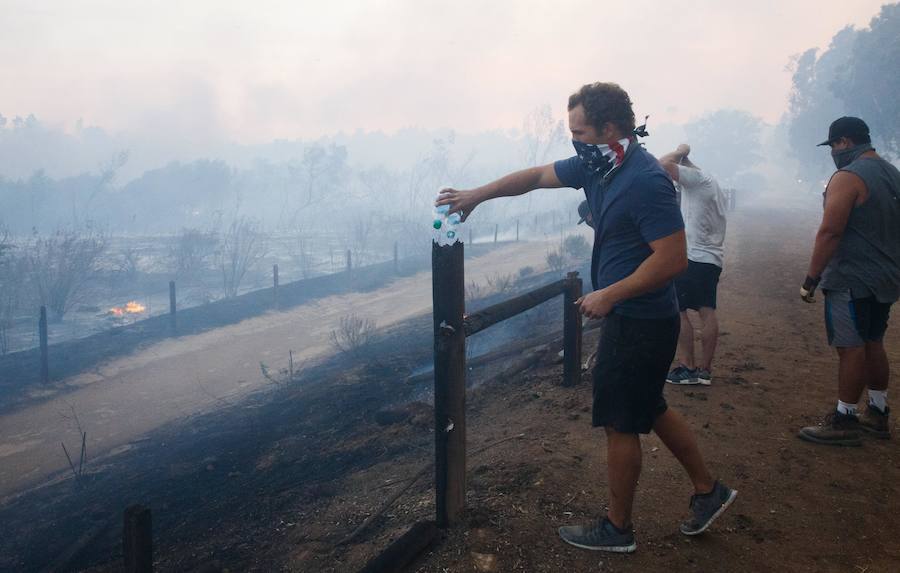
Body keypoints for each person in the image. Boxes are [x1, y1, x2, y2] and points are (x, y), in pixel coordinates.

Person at [437, 82, 736, 553]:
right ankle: (708, 489)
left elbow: (674, 259)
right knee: (650, 406)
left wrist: (611, 294)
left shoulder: (643, 180)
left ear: (610, 128)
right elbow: (535, 177)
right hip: (639, 316)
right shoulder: (599, 166)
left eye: (580, 131)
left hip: (639, 319)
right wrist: (478, 194)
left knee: (621, 421)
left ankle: (618, 530)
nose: (573, 141)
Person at [798, 117, 900, 446]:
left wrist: (811, 278)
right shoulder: (892, 175)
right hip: (884, 278)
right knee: (873, 343)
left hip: (852, 278)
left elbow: (830, 231)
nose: (833, 154)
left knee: (851, 347)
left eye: (833, 147)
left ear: (844, 142)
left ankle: (844, 419)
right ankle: (878, 413)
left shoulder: (847, 177)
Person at [658, 144, 728, 385]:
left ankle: (687, 367)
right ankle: (705, 371)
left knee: (680, 311)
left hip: (693, 257)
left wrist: (679, 150)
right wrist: (685, 159)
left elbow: (660, 166)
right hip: (712, 259)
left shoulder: (697, 180)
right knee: (707, 311)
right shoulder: (713, 183)